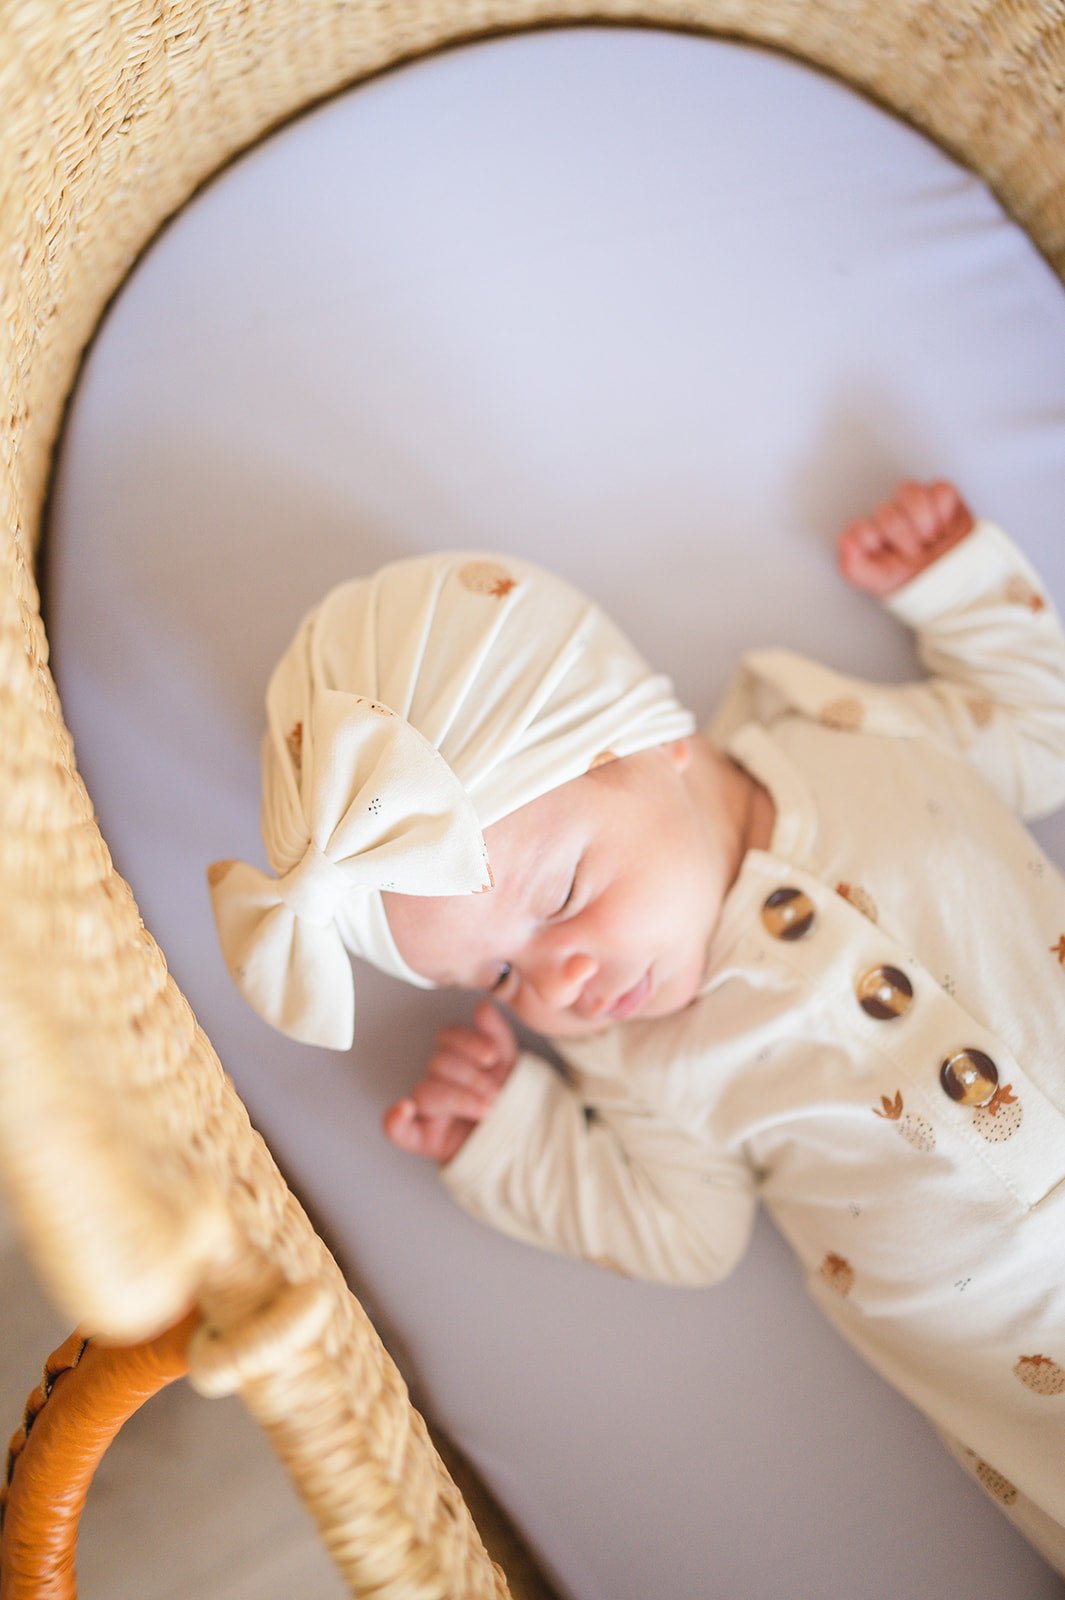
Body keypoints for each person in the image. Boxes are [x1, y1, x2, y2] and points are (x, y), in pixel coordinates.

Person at [209, 481, 1065, 1572]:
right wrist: (513, 1137)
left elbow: (1038, 732)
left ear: (654, 740)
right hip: (1024, 1369)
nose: (557, 980)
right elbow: (683, 1233)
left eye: (562, 893)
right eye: (501, 974)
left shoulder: (852, 736)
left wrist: (954, 582)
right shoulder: (636, 1055)